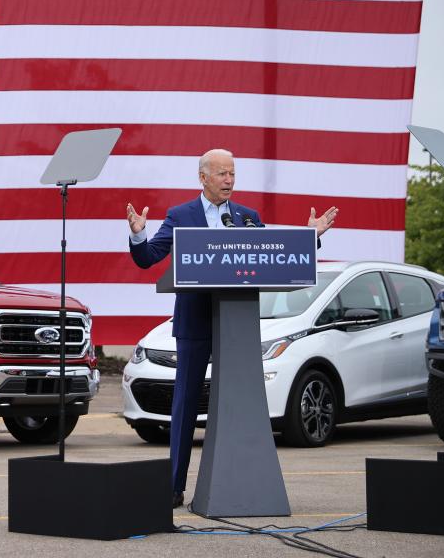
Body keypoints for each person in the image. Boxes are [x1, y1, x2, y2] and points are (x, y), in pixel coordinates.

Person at [126, 148, 338, 507]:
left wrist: (309, 237)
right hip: (195, 322)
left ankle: (243, 484)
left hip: (237, 325)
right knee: (185, 405)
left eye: (233, 174)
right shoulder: (181, 216)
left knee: (242, 402)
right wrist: (138, 235)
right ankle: (174, 486)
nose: (229, 181)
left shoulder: (246, 217)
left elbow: (271, 254)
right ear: (203, 178)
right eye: (222, 174)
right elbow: (149, 259)